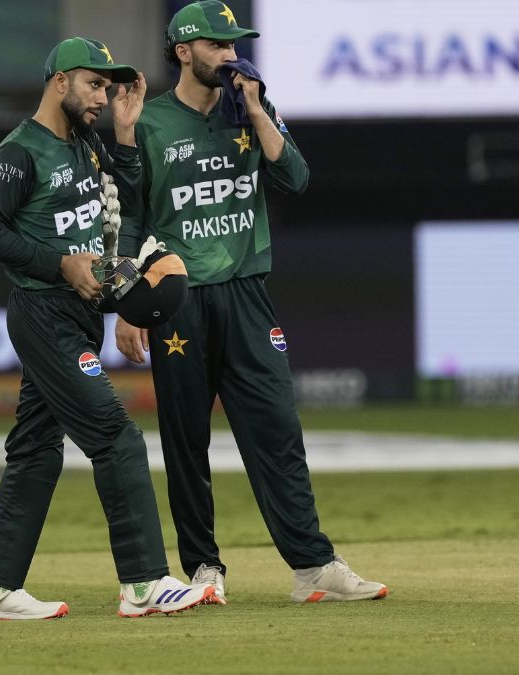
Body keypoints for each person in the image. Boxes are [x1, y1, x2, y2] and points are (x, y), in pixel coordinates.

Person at [115, 0, 387, 603]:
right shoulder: (149, 122)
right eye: (217, 44)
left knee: (278, 430)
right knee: (185, 440)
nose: (230, 54)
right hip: (178, 299)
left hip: (247, 294)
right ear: (184, 52)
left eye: (234, 44)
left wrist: (259, 110)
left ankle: (312, 566)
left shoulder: (252, 109)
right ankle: (203, 568)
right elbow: (130, 217)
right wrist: (128, 304)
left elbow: (296, 179)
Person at [0, 37, 217, 621]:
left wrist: (125, 135)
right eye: (94, 84)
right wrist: (59, 264)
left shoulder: (85, 142)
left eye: (108, 86)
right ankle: (144, 583)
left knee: (35, 451)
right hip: (44, 314)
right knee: (116, 437)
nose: (103, 96)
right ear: (60, 82)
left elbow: (122, 202)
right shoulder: (20, 150)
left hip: (78, 312)